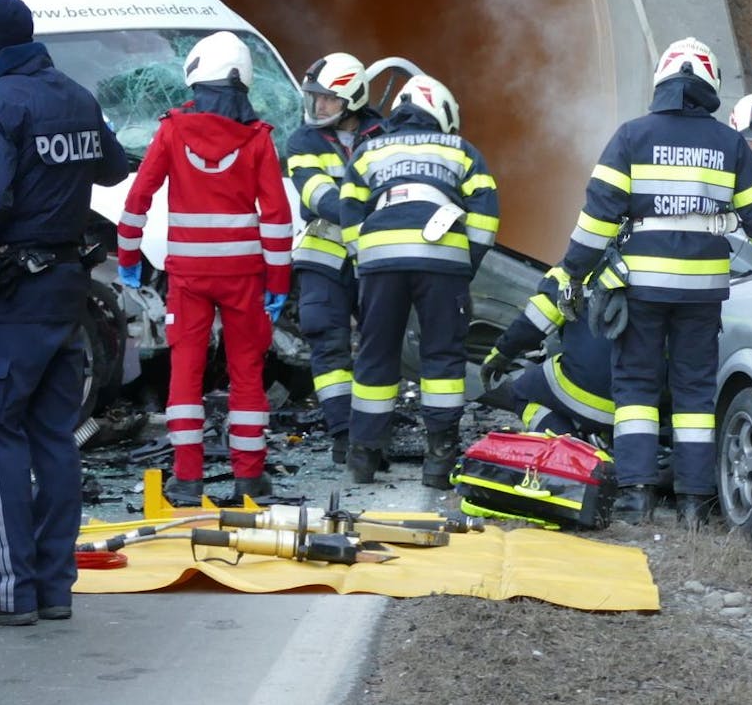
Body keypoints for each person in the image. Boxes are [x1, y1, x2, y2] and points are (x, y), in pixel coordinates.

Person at [0, 0, 127, 625]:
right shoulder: (73, 93)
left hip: (9, 295)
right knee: (56, 438)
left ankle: (5, 591)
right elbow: (109, 165)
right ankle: (53, 588)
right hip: (67, 292)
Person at [557, 37, 752, 525]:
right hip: (702, 292)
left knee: (637, 389)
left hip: (642, 288)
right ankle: (694, 503)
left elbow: (597, 216)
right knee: (695, 394)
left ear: (662, 82)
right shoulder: (729, 143)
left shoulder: (631, 136)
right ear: (710, 87)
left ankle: (637, 497)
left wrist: (574, 272)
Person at [116, 31, 293, 505]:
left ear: (197, 79)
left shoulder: (173, 130)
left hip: (189, 277)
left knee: (186, 371)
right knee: (247, 373)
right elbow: (277, 219)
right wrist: (278, 281)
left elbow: (138, 199)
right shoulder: (259, 140)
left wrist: (129, 257)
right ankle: (249, 480)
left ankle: (187, 480)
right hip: (244, 276)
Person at [340, 74, 499, 488]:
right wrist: (466, 263)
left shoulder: (369, 149)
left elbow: (349, 208)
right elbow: (485, 214)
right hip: (441, 259)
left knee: (376, 352)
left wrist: (366, 258)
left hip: (380, 260)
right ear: (443, 114)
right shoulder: (462, 151)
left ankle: (363, 457)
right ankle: (439, 462)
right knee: (442, 358)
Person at [284, 52, 385, 464]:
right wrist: (370, 209)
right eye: (315, 97)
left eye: (328, 98)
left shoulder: (386, 134)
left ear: (353, 99)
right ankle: (343, 431)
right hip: (324, 257)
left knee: (380, 344)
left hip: (375, 258)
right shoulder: (302, 141)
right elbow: (316, 196)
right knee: (328, 342)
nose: (319, 106)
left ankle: (373, 434)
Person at [479, 267, 615, 443]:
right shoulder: (655, 277)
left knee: (522, 391)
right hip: (636, 413)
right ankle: (605, 443)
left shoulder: (584, 265)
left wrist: (501, 354)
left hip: (581, 395)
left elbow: (535, 321)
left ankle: (571, 449)